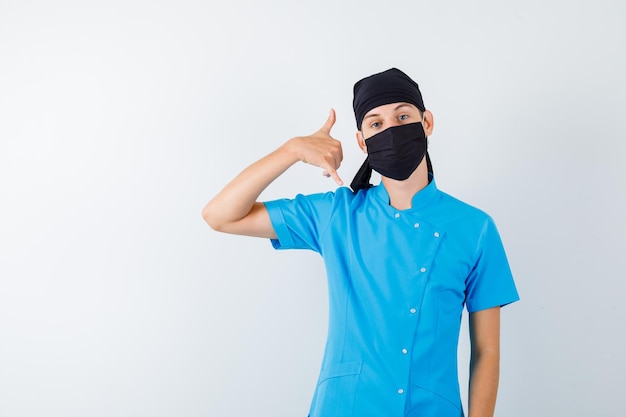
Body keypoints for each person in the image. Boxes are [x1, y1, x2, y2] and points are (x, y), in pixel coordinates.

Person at [202, 68, 519, 417]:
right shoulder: (337, 214)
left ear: (426, 122)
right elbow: (221, 215)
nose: (392, 130)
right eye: (376, 123)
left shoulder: (474, 228)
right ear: (361, 141)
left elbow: (487, 351)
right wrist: (292, 150)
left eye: (402, 116)